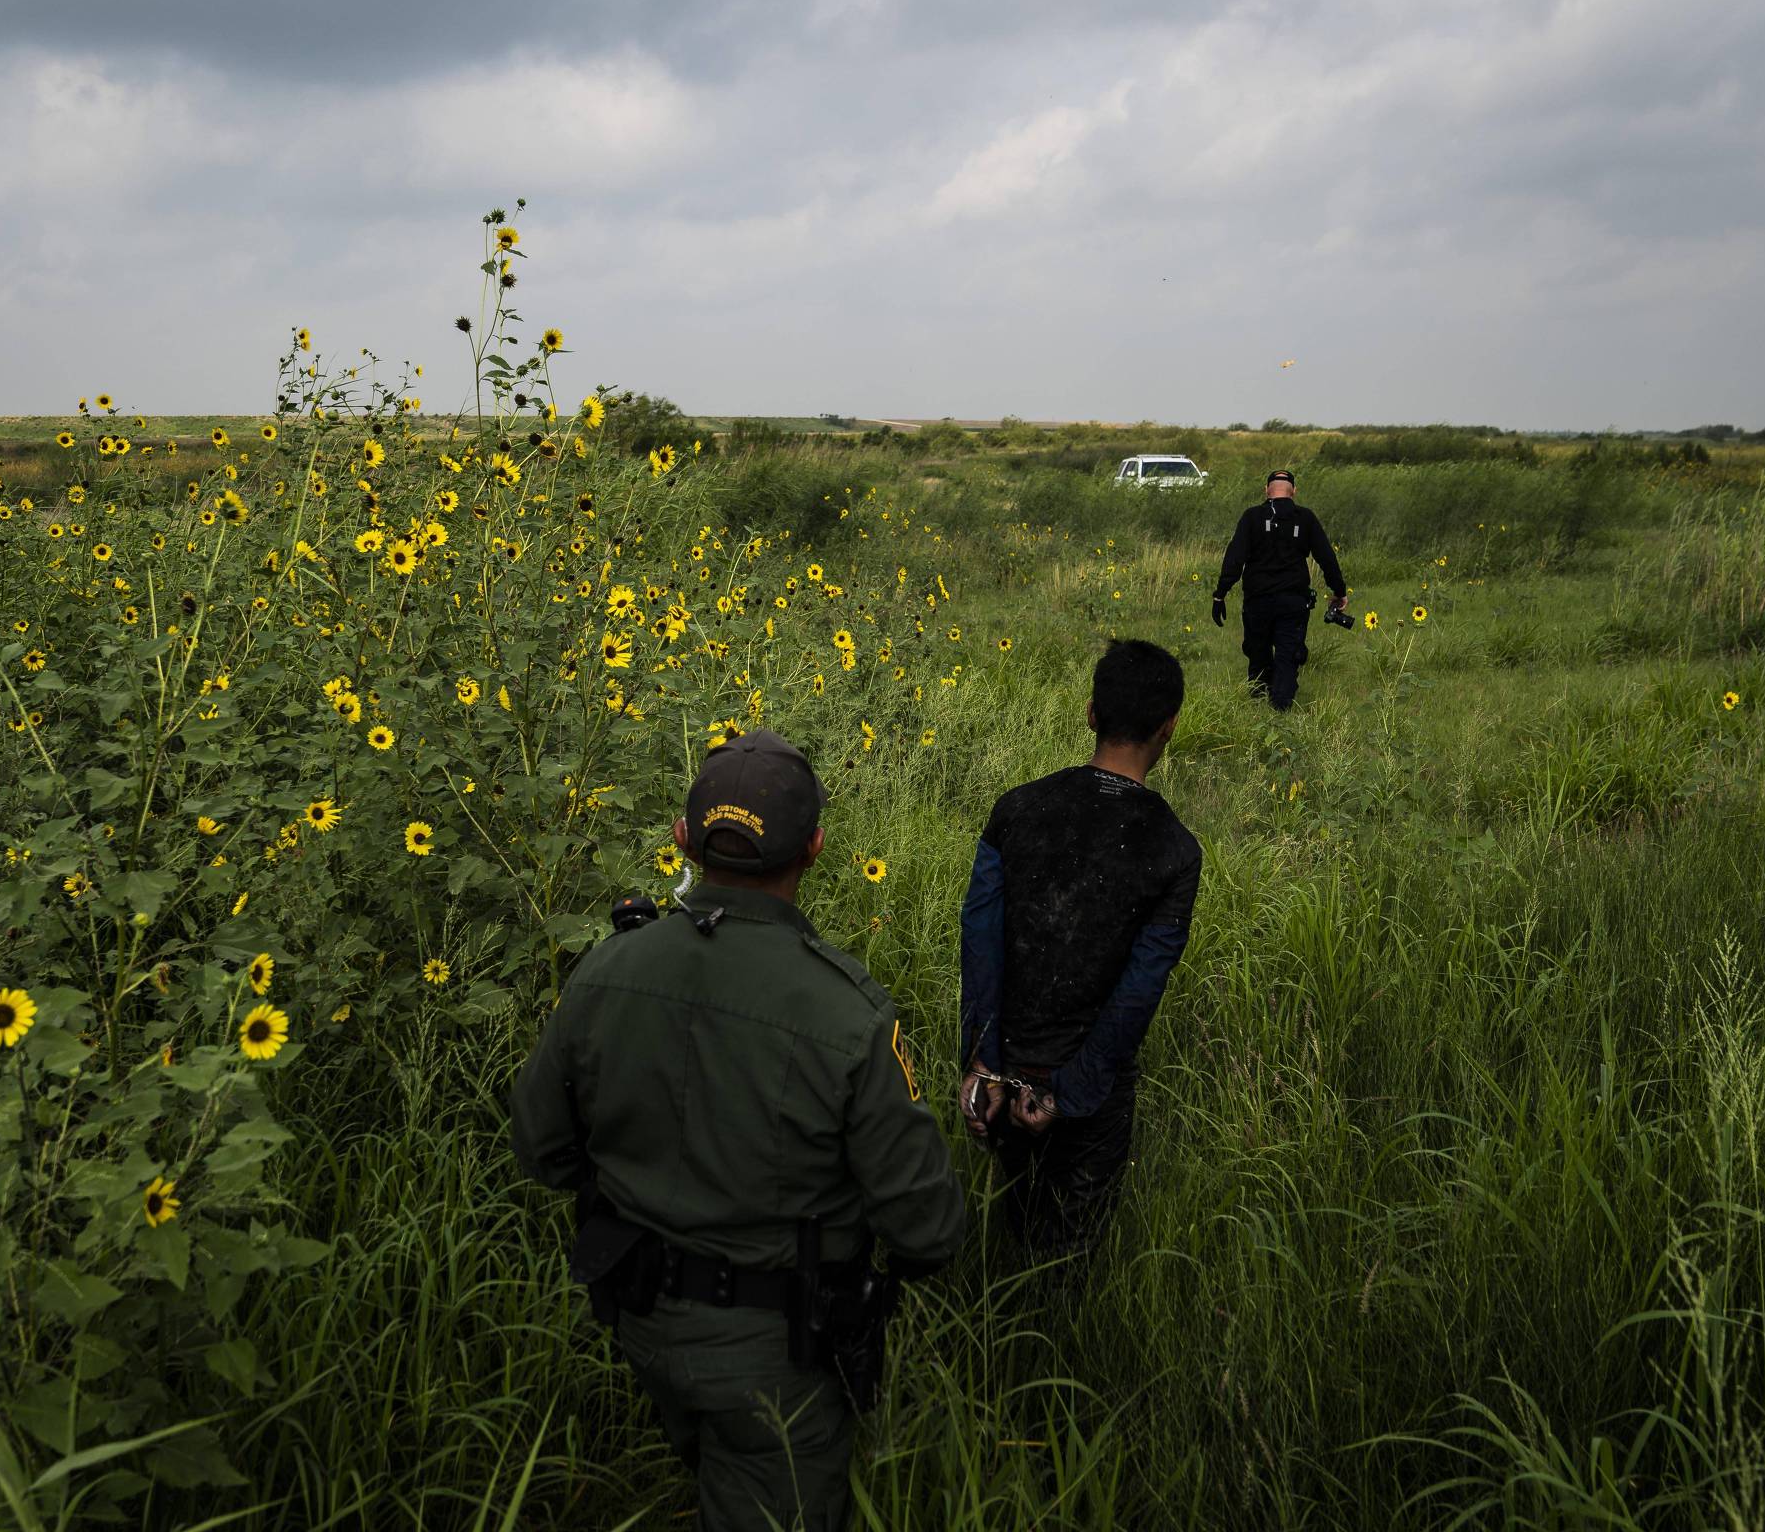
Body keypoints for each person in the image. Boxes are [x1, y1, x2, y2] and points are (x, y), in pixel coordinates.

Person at [510, 729, 967, 1532]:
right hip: (778, 1356)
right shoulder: (847, 1013)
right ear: (817, 848)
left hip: (635, 1314)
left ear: (682, 838)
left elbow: (541, 1145)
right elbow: (926, 1230)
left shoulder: (607, 970)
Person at [957, 639, 1202, 1254]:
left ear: (1090, 712)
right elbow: (1139, 989)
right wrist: (1069, 1092)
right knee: (1072, 1250)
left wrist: (984, 1063)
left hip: (1005, 1067)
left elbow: (979, 941)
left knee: (1009, 1222)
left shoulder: (1015, 810)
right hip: (1088, 1091)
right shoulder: (1175, 849)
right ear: (1170, 726)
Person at [1209, 468, 1348, 711]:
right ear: (1293, 491)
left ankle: (1259, 701)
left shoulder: (1251, 517)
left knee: (1258, 651)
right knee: (1288, 654)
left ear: (1266, 491)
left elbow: (1234, 558)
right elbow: (1326, 557)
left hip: (1257, 601)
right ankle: (1280, 706)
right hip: (1293, 602)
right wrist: (1339, 591)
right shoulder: (1305, 518)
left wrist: (1220, 594)